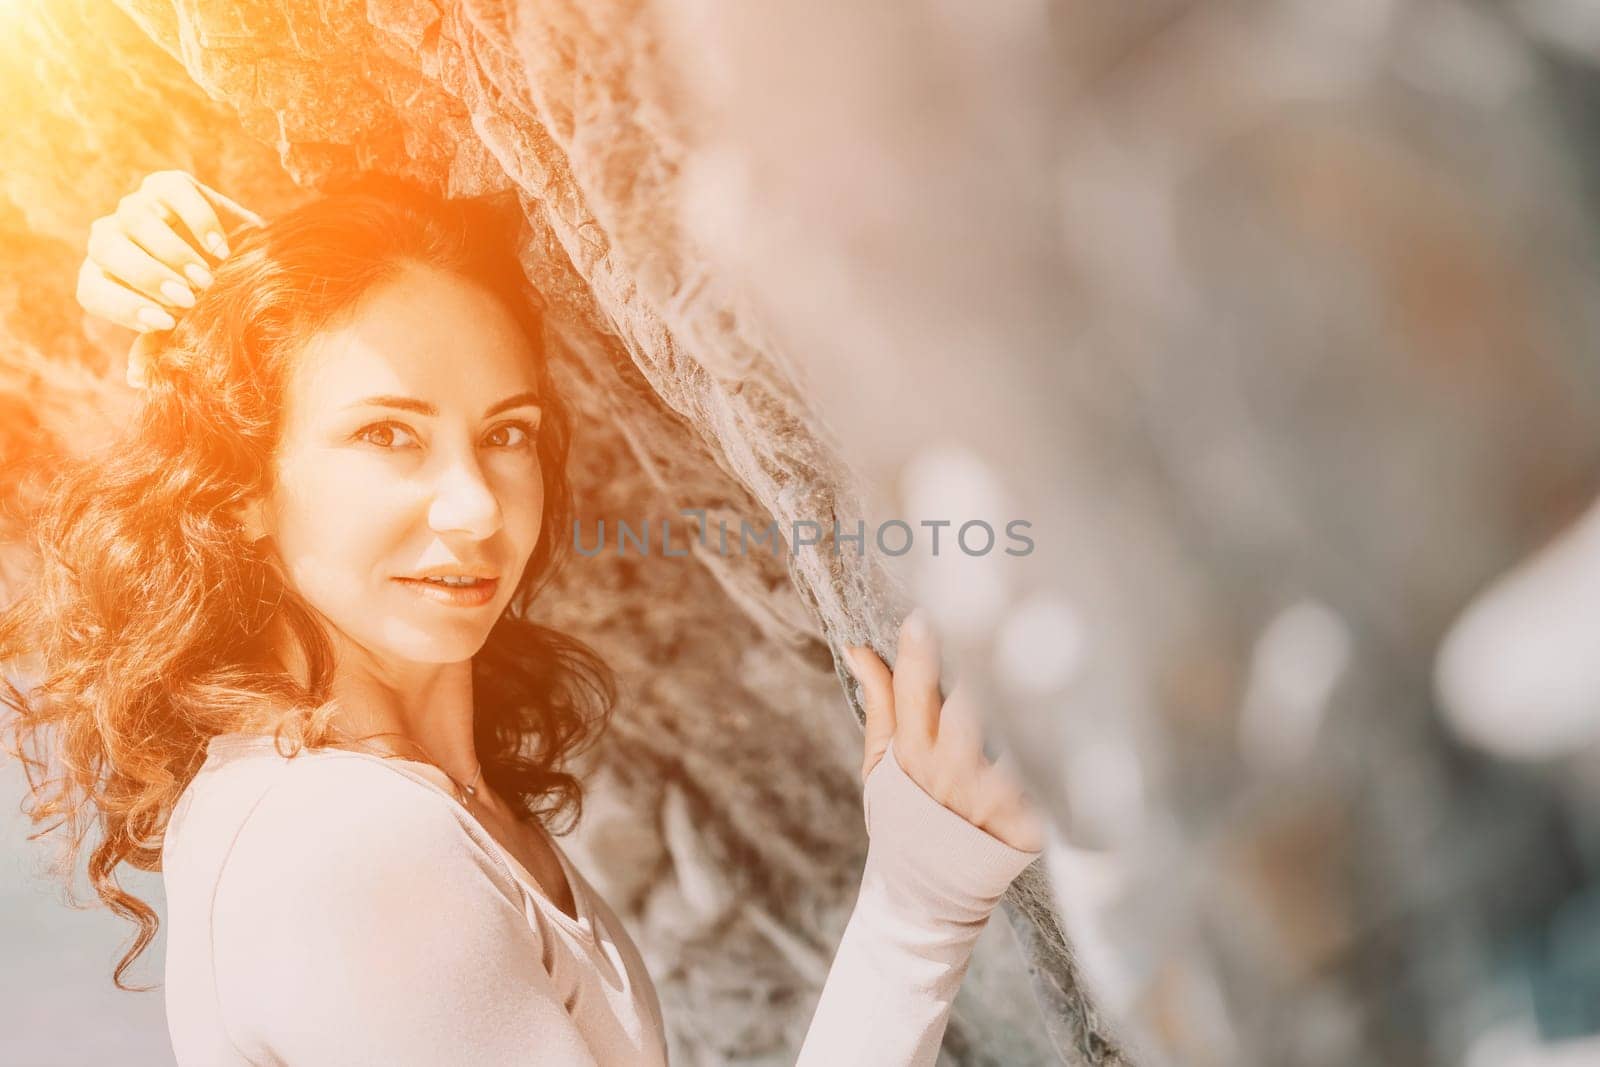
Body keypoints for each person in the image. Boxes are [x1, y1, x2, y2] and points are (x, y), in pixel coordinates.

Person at [0, 169, 1046, 1065]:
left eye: (507, 434)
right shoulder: (347, 843)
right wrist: (918, 909)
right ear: (243, 487)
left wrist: (925, 897)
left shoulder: (413, 794)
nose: (475, 505)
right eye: (386, 435)